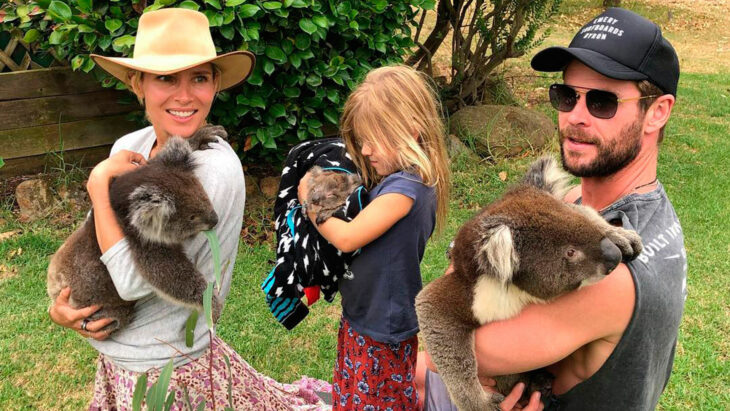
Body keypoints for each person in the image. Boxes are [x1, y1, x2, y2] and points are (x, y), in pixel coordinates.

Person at [48, 8, 329, 410]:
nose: (184, 95)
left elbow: (128, 280)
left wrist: (97, 184)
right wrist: (63, 307)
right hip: (120, 353)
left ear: (215, 83)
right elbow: (100, 234)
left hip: (164, 364)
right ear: (137, 82)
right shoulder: (132, 145)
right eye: (165, 78)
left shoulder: (212, 168)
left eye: (199, 77)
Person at [416, 7, 687, 411]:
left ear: (658, 112)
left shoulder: (612, 277)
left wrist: (462, 265)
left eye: (602, 101)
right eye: (566, 96)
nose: (575, 117)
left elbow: (438, 352)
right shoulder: (599, 206)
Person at [294, 65, 450, 410]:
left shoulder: (405, 190)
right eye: (361, 140)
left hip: (384, 328)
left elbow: (348, 238)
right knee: (351, 396)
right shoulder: (395, 180)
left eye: (372, 139)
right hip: (363, 316)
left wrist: (311, 203)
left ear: (411, 128)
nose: (364, 150)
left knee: (379, 402)